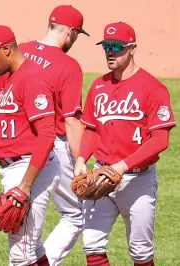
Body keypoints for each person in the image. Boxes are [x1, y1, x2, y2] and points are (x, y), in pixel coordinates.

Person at [74, 22, 176, 266]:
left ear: (132, 48)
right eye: (106, 46)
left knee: (140, 251)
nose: (110, 52)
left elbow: (161, 140)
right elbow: (91, 129)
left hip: (138, 180)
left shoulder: (153, 88)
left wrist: (121, 166)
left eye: (117, 47)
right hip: (100, 174)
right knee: (92, 246)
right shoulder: (99, 86)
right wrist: (80, 159)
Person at [0, 25, 61, 266]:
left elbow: (47, 135)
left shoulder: (33, 78)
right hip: (17, 167)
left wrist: (25, 186)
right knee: (32, 249)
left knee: (21, 254)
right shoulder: (7, 81)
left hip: (31, 168)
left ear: (6, 49)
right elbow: (10, 136)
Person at [18, 5, 89, 265]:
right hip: (52, 147)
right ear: (69, 32)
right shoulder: (69, 66)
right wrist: (81, 160)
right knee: (77, 214)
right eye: (77, 34)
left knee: (25, 216)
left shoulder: (20, 51)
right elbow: (70, 120)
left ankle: (28, 258)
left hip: (18, 143)